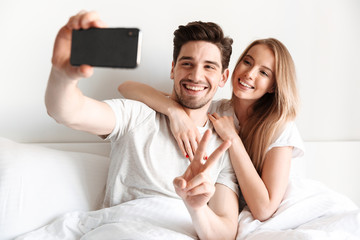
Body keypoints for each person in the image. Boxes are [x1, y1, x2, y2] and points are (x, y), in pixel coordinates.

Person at [27, 10, 240, 240]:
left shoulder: (222, 144)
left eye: (209, 66)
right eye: (187, 63)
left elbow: (225, 234)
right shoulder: (138, 114)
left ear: (223, 77)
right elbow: (67, 111)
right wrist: (62, 75)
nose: (196, 75)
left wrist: (196, 208)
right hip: (121, 229)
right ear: (173, 69)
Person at [118, 38, 305, 221]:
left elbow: (263, 210)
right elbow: (127, 87)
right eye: (247, 62)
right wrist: (176, 114)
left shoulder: (280, 127)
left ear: (273, 86)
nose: (249, 74)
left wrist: (233, 138)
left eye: (263, 73)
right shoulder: (215, 110)